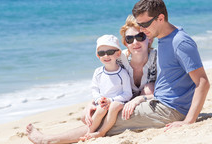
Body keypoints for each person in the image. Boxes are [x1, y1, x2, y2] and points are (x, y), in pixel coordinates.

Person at [26, 16, 158, 144]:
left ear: (150, 39)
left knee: (148, 88)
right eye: (130, 39)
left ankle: (48, 140)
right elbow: (106, 84)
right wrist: (93, 102)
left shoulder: (158, 59)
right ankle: (50, 140)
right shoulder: (118, 58)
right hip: (117, 102)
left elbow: (167, 90)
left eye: (140, 37)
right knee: (89, 115)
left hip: (142, 106)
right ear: (125, 43)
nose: (135, 42)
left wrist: (140, 98)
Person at [105, 0, 210, 135]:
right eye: (139, 24)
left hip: (170, 110)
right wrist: (142, 98)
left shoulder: (180, 42)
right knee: (102, 115)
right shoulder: (162, 38)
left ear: (160, 18)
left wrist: (189, 121)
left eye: (144, 24)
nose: (141, 29)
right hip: (158, 103)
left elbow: (203, 82)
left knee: (106, 121)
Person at [82, 34, 132, 140]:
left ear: (118, 53)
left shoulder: (122, 73)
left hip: (117, 102)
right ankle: (89, 132)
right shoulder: (98, 72)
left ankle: (101, 132)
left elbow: (127, 93)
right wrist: (99, 99)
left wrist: (111, 100)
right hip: (102, 102)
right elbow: (94, 89)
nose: (106, 56)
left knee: (113, 107)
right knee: (100, 109)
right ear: (98, 55)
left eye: (110, 52)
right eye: (101, 53)